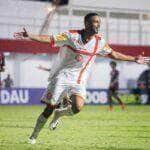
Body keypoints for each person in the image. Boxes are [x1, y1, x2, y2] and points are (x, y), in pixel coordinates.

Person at [14, 13, 149, 144]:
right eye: (94, 22)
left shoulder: (99, 42)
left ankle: (59, 115)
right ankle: (33, 136)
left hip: (79, 80)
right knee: (49, 108)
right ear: (86, 24)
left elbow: (113, 54)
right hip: (62, 76)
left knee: (77, 107)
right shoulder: (71, 36)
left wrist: (134, 59)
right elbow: (50, 39)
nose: (97, 25)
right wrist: (30, 36)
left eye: (99, 23)